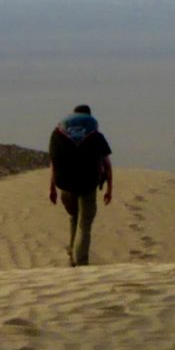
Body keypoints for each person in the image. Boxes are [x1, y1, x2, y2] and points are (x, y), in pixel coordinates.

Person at [47, 104, 114, 268]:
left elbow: (53, 163)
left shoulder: (58, 134)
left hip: (65, 184)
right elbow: (107, 165)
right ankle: (81, 262)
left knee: (74, 218)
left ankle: (72, 258)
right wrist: (109, 190)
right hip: (88, 184)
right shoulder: (95, 135)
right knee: (84, 224)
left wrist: (52, 188)